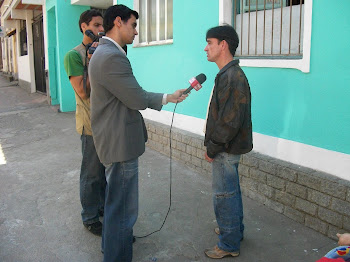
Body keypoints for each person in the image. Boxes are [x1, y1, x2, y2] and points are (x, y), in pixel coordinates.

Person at [88, 4, 187, 262]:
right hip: (119, 144)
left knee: (115, 206)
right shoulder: (111, 55)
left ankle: (110, 250)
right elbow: (136, 97)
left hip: (114, 139)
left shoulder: (106, 52)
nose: (136, 32)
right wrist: (167, 97)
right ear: (118, 22)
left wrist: (166, 97)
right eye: (133, 25)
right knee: (123, 211)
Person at [203, 25, 253, 259]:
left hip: (224, 148)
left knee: (224, 195)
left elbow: (229, 122)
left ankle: (228, 243)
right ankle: (233, 231)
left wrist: (212, 148)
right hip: (227, 146)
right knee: (230, 192)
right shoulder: (228, 74)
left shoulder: (232, 77)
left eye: (210, 42)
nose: (206, 48)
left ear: (223, 45)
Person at [63, 9, 106, 236]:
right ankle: (89, 217)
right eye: (97, 25)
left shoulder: (102, 51)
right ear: (84, 26)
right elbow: (83, 91)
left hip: (107, 124)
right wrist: (90, 60)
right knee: (91, 174)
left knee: (104, 173)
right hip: (89, 125)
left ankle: (101, 208)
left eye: (102, 25)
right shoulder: (75, 55)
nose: (101, 29)